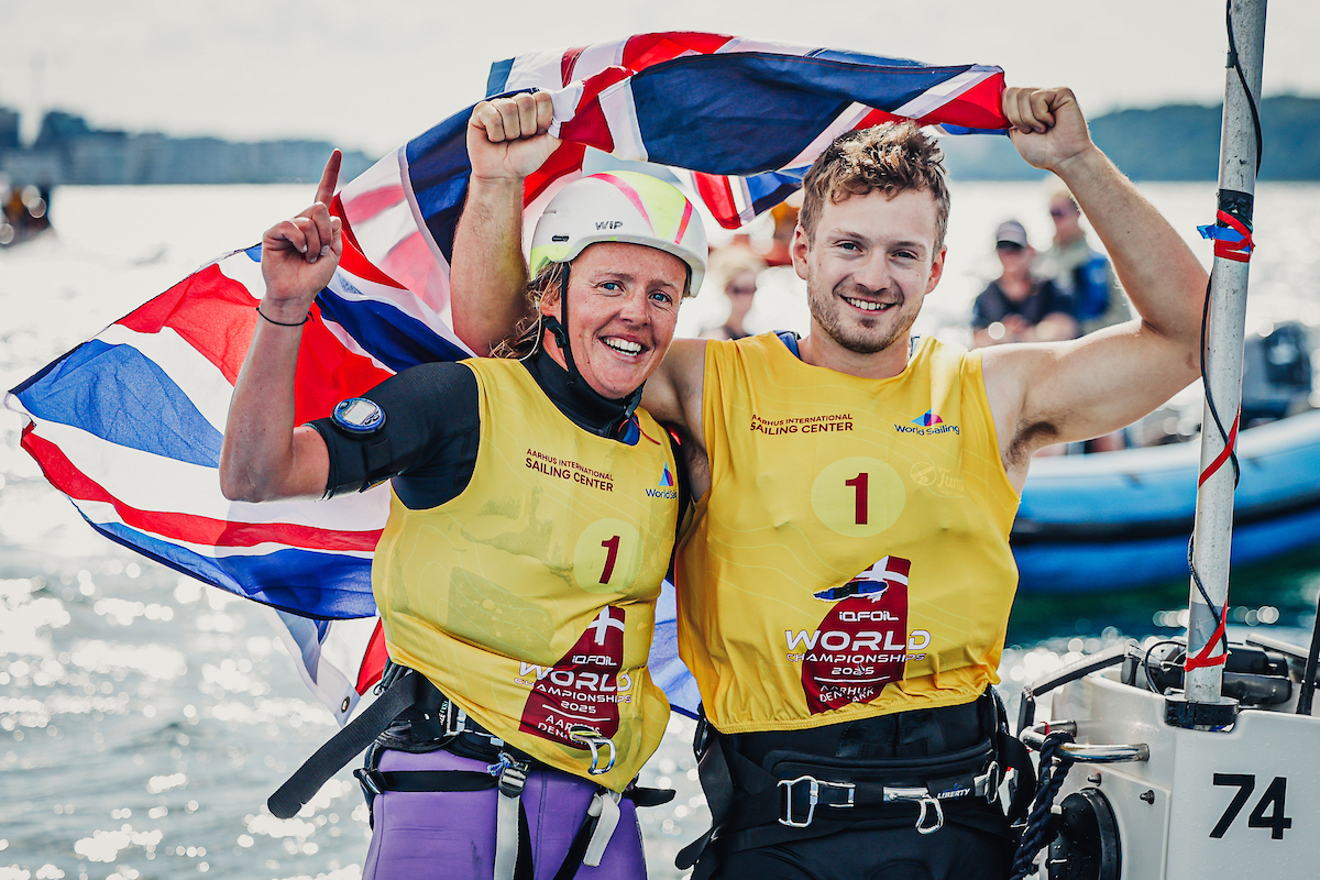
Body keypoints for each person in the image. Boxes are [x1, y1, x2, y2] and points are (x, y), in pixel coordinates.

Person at [452, 86, 1208, 880]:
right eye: (850, 246)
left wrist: (1077, 163)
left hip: (958, 829)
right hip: (774, 834)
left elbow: (1193, 337)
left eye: (903, 253)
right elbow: (508, 338)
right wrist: (499, 182)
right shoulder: (710, 385)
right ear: (803, 250)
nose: (874, 276)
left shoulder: (990, 393)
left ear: (938, 267)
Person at [219, 92, 710, 880]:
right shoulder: (457, 401)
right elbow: (255, 475)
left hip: (600, 819)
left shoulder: (669, 453)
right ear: (549, 294)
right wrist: (284, 307)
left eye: (662, 295)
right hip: (450, 793)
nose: (638, 315)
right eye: (611, 285)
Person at [1036, 188, 1131, 334]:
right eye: (1051, 213)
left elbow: (1122, 318)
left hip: (1088, 344)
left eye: (1059, 213)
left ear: (1078, 212)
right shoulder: (1038, 260)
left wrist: (1079, 330)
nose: (1055, 220)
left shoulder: (1101, 264)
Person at [971, 219, 1078, 347]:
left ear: (1029, 250)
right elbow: (977, 339)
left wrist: (1024, 335)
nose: (1009, 254)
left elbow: (1066, 328)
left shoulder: (1049, 287)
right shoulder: (987, 295)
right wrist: (1001, 332)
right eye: (1003, 247)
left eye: (1015, 248)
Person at [699, 249, 766, 340]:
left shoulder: (754, 338)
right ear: (725, 290)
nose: (746, 298)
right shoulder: (713, 338)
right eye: (738, 290)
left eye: (752, 289)